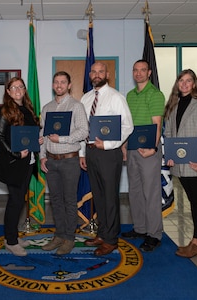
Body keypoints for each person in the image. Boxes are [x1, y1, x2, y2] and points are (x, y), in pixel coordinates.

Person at [80, 62, 134, 256]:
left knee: (110, 196)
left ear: (107, 74)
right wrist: (81, 153)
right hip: (91, 152)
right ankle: (102, 234)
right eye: (93, 72)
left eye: (100, 71)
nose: (96, 74)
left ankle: (111, 240)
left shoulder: (116, 97)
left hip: (110, 153)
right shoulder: (85, 98)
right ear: (90, 75)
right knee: (99, 196)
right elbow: (82, 128)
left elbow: (128, 126)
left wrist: (109, 144)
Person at [164, 69, 197, 258]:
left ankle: (196, 240)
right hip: (180, 163)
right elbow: (169, 133)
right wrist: (169, 154)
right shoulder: (173, 104)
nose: (184, 84)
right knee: (194, 201)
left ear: (194, 84)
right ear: (177, 83)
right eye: (181, 81)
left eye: (188, 81)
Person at [40, 71, 88, 255]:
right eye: (56, 82)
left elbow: (84, 131)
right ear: (53, 85)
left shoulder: (76, 106)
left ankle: (69, 238)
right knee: (55, 200)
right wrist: (43, 156)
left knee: (69, 200)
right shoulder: (47, 108)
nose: (59, 85)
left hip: (69, 161)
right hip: (51, 162)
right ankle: (59, 234)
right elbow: (42, 135)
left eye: (63, 82)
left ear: (69, 85)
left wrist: (62, 139)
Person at [0, 77, 42, 256]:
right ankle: (11, 242)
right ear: (8, 91)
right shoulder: (4, 111)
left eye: (20, 86)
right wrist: (16, 154)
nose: (17, 90)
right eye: (13, 87)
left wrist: (37, 140)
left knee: (19, 201)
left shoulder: (28, 109)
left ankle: (12, 236)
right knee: (14, 202)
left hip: (28, 163)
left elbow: (30, 133)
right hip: (13, 164)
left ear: (24, 90)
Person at [121, 59, 165, 252]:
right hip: (131, 148)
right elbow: (126, 124)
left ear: (149, 73)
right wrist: (123, 146)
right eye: (135, 70)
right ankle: (140, 228)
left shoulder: (155, 94)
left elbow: (157, 124)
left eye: (142, 70)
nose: (138, 73)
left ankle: (154, 234)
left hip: (149, 150)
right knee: (136, 191)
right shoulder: (129, 96)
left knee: (151, 193)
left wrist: (153, 148)